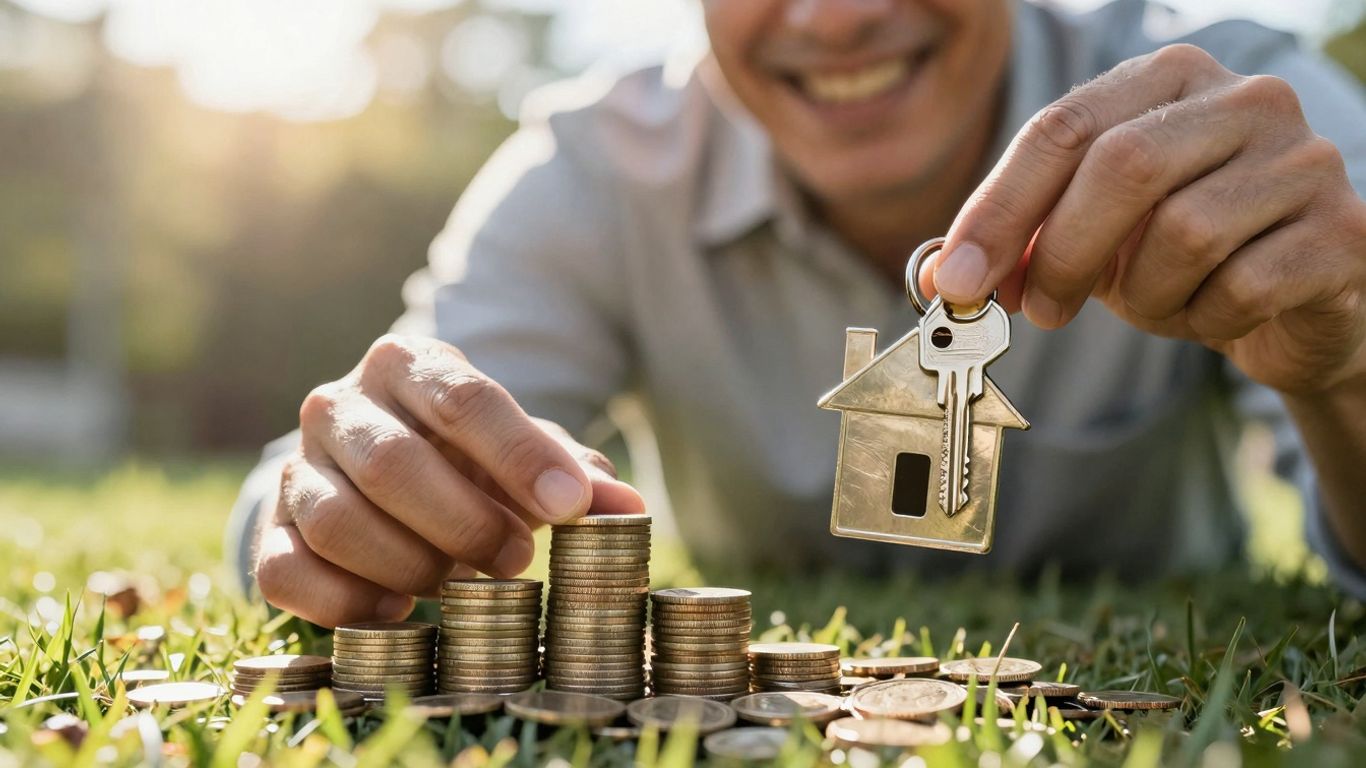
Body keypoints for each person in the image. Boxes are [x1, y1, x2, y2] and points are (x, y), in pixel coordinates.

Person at [226, 0, 1366, 628]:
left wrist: (1349, 361)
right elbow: (342, 456)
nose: (834, 17)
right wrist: (330, 502)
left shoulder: (1236, 110)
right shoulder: (594, 168)